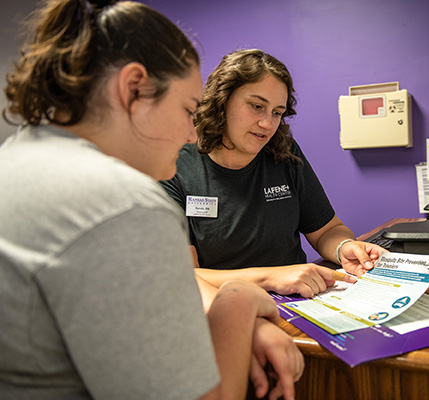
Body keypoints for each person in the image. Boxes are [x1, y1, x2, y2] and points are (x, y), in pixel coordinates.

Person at [0, 2, 302, 399]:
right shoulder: (127, 207)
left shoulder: (16, 159)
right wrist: (238, 302)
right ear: (133, 89)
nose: (192, 135)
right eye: (188, 110)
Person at [160, 49, 386, 298]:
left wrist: (345, 247)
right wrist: (271, 277)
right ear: (221, 100)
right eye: (257, 106)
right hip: (228, 307)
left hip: (300, 301)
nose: (267, 124)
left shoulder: (284, 152)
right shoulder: (175, 165)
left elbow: (326, 230)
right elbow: (185, 275)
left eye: (277, 112)